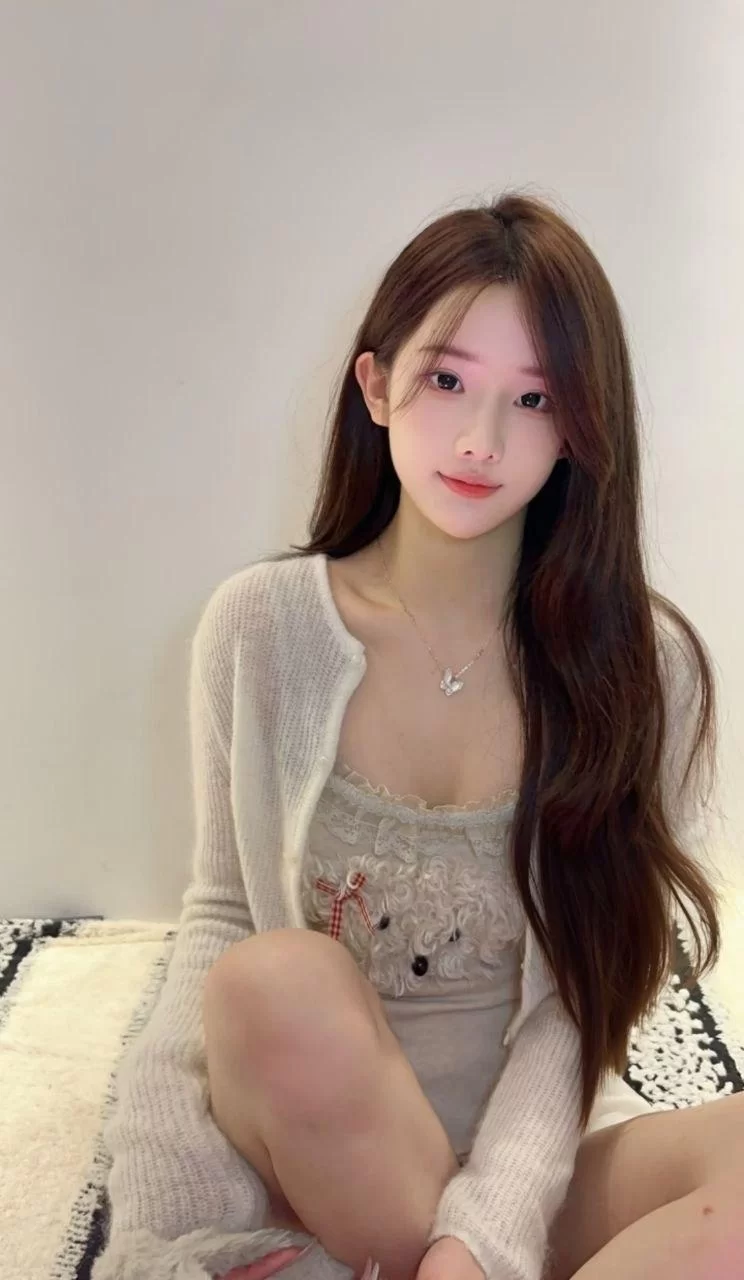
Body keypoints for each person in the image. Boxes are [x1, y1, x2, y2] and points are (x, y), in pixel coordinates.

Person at [91, 192, 744, 1280]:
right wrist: (172, 1231)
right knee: (275, 979)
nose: (483, 439)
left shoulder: (639, 664)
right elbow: (217, 923)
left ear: (580, 429)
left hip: (531, 1169)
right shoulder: (262, 629)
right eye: (446, 380)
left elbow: (582, 1003)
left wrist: (477, 1240)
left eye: (536, 398)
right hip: (319, 1147)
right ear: (376, 384)